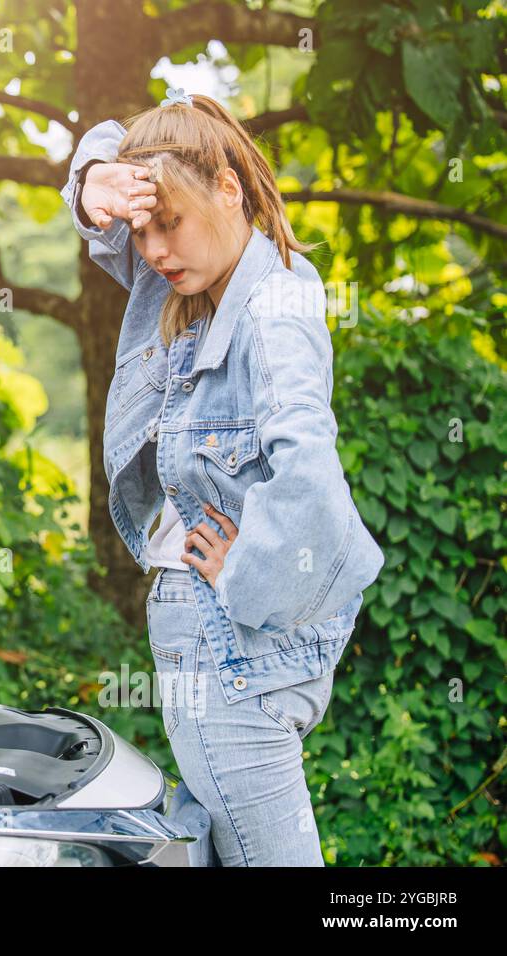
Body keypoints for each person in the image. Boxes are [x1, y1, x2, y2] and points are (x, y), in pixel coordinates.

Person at [61, 87, 384, 866]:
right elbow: (111, 157)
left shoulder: (268, 313)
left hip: (226, 642)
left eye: (168, 223)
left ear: (229, 188)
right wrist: (93, 178)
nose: (153, 251)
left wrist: (251, 573)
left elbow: (306, 461)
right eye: (142, 231)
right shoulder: (189, 280)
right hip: (244, 646)